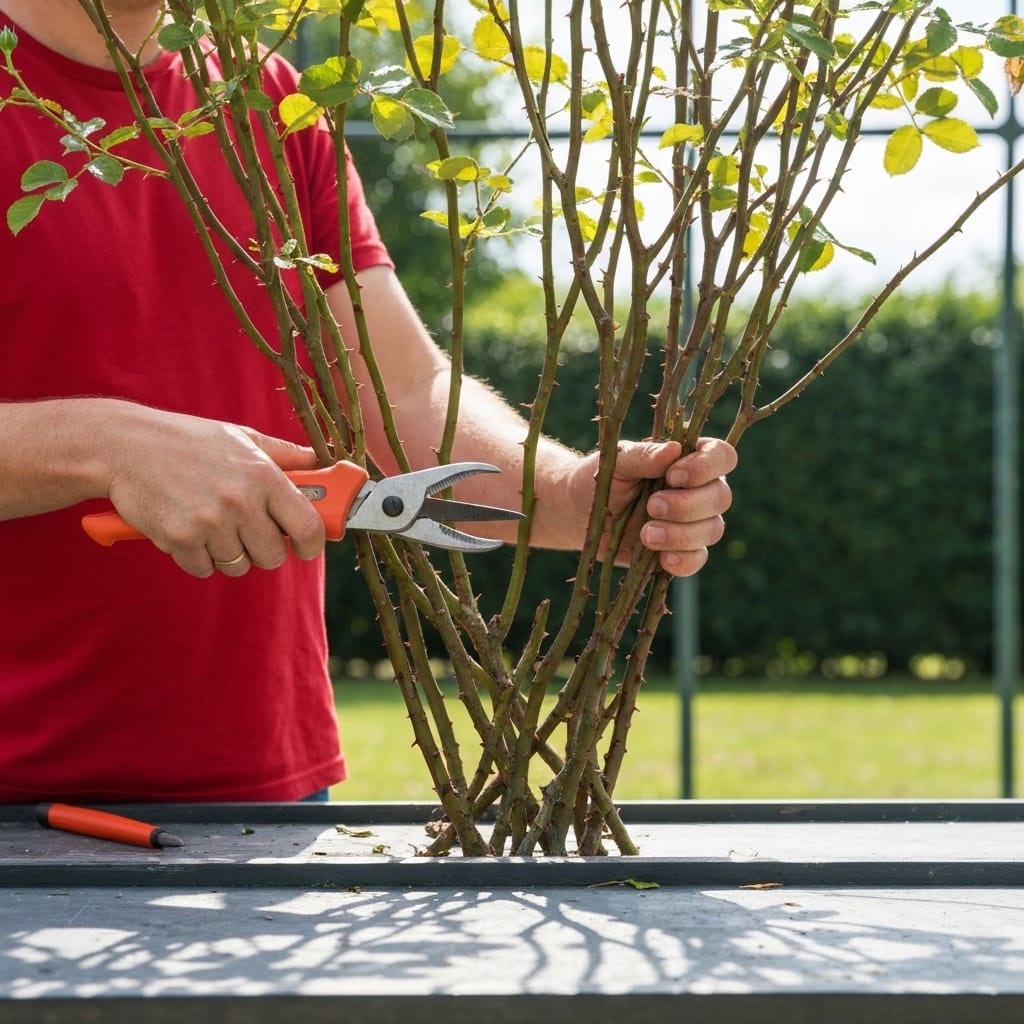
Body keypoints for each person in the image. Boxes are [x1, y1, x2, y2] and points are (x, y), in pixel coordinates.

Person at [0, 0, 737, 803]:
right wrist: (108, 444)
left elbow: (398, 386)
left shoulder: (264, 95)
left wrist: (563, 498)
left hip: (266, 792)